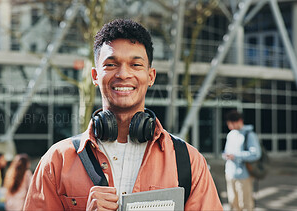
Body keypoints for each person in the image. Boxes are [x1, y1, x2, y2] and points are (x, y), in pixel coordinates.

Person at [24, 18, 222, 210]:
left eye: (135, 65)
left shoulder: (188, 161)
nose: (123, 74)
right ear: (95, 76)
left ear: (151, 76)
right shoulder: (57, 161)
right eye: (111, 64)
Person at [223, 110, 261, 211]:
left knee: (246, 204)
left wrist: (235, 156)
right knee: (233, 203)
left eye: (232, 123)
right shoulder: (231, 134)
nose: (230, 126)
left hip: (244, 175)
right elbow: (227, 150)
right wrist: (226, 155)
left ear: (239, 121)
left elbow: (255, 154)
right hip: (230, 173)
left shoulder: (249, 135)